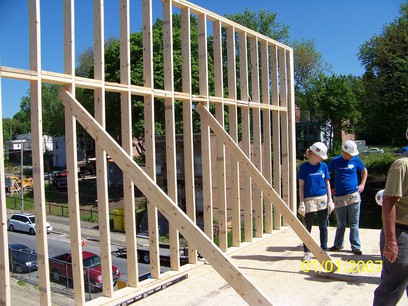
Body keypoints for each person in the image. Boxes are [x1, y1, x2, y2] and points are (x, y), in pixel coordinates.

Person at [373, 128, 408, 306]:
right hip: (402, 234)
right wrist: (391, 241)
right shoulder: (402, 165)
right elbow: (388, 203)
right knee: (391, 287)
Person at [328, 140, 368, 255]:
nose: (352, 156)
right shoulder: (335, 161)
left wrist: (362, 184)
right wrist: (330, 188)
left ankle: (355, 246)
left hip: (353, 196)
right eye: (350, 154)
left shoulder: (356, 160)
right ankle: (338, 244)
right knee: (341, 223)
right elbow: (326, 175)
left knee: (354, 222)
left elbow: (364, 171)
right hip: (339, 196)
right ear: (344, 152)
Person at [298, 142, 334, 261]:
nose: (322, 159)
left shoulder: (324, 166)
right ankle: (307, 251)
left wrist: (330, 200)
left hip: (322, 199)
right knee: (307, 227)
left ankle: (324, 250)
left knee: (323, 226)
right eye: (320, 156)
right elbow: (301, 186)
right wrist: (301, 202)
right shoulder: (304, 167)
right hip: (309, 200)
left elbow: (327, 183)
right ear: (314, 154)